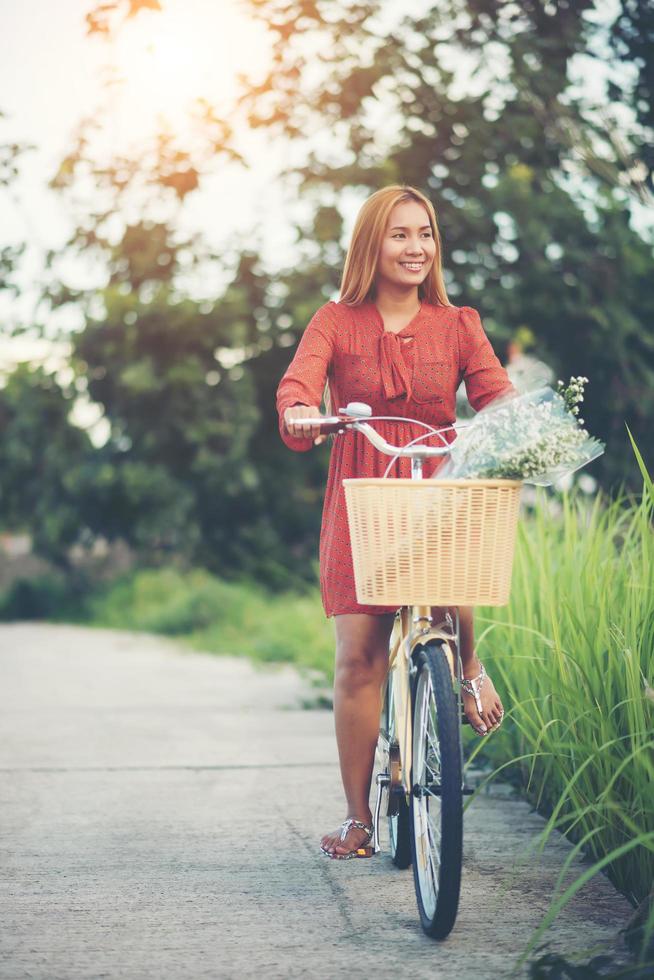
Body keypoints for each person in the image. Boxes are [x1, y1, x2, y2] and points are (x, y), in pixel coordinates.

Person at [276, 185, 516, 860]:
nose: (416, 248)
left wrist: (513, 423)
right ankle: (358, 819)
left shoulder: (458, 322)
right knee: (359, 659)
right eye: (400, 235)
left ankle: (467, 666)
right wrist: (300, 410)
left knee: (456, 561)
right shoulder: (336, 319)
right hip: (363, 487)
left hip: (436, 475)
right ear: (371, 246)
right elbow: (300, 383)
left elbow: (495, 390)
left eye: (426, 234)